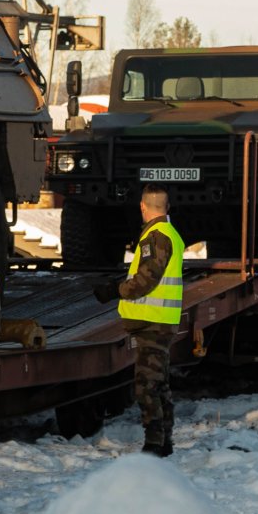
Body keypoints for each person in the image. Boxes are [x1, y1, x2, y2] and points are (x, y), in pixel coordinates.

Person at [93, 185, 182, 457]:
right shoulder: (169, 234)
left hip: (152, 322)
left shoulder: (156, 236)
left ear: (143, 207)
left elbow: (145, 281)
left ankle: (154, 444)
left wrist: (114, 290)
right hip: (159, 321)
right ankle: (164, 440)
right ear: (166, 207)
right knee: (159, 383)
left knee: (146, 386)